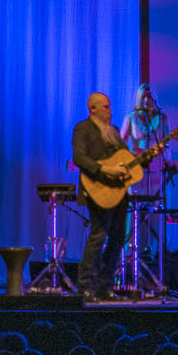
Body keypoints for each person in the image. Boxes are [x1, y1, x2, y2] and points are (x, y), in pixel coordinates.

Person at [72, 92, 129, 300]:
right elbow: (79, 157)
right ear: (92, 108)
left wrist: (147, 157)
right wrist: (104, 170)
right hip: (97, 190)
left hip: (118, 192)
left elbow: (126, 158)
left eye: (110, 106)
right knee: (99, 235)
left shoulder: (113, 131)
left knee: (118, 237)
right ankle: (84, 285)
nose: (110, 111)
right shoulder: (82, 129)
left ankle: (105, 286)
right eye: (105, 107)